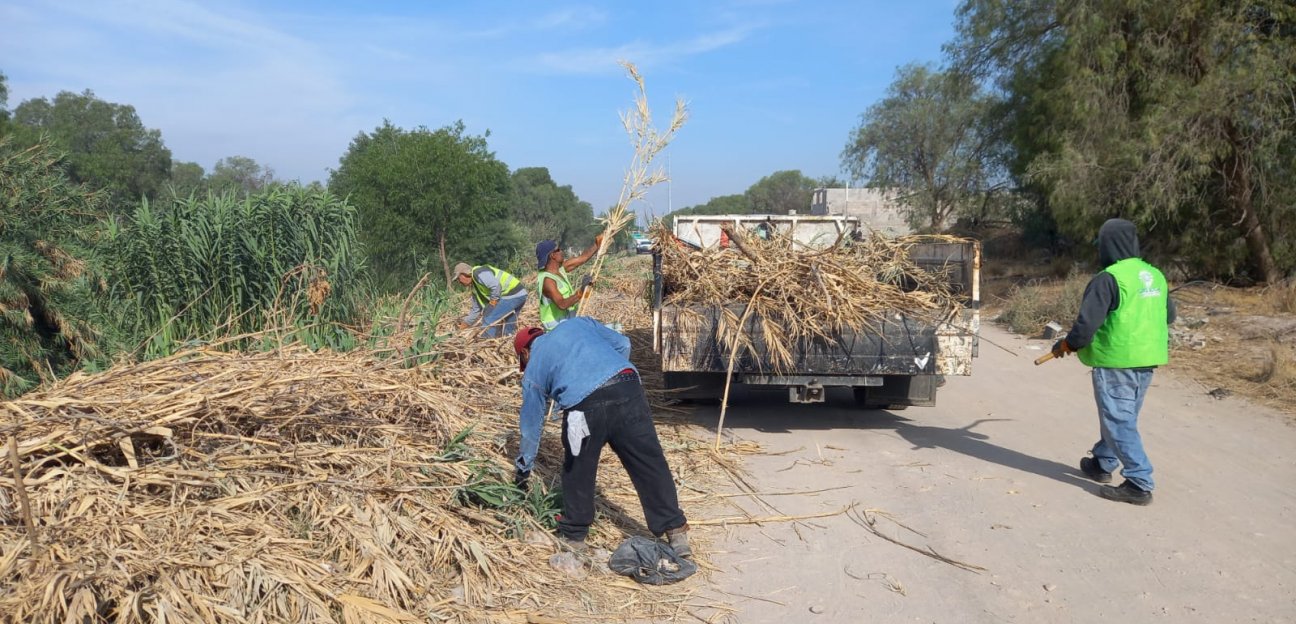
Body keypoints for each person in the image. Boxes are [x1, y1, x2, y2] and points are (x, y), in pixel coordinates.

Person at [512, 319, 691, 556]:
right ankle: (676, 532)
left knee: (578, 470)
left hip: (583, 409)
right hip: (627, 387)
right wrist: (610, 378)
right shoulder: (576, 324)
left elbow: (531, 426)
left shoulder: (533, 367)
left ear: (525, 352)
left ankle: (575, 537)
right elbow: (623, 343)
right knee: (649, 462)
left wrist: (523, 468)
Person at [1051, 218, 1176, 506]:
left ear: (1108, 245)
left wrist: (1067, 344)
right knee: (1122, 417)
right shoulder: (1155, 275)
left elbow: (1086, 325)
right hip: (1146, 361)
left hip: (1117, 361)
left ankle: (1139, 481)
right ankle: (1103, 463)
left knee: (1118, 420)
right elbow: (1169, 316)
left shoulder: (1109, 278)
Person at [534, 235, 602, 330]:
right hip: (557, 329)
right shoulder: (548, 281)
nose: (562, 251)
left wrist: (597, 244)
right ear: (552, 255)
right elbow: (562, 304)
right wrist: (581, 292)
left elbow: (583, 258)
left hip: (568, 323)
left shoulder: (560, 270)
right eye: (558, 250)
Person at [453, 263, 527, 338]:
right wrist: (464, 325)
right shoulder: (475, 287)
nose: (459, 282)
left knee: (489, 317)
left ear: (464, 273)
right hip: (519, 294)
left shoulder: (478, 273)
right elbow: (476, 309)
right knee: (508, 323)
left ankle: (487, 340)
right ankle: (508, 340)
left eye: (458, 278)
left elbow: (496, 286)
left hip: (512, 294)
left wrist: (492, 303)